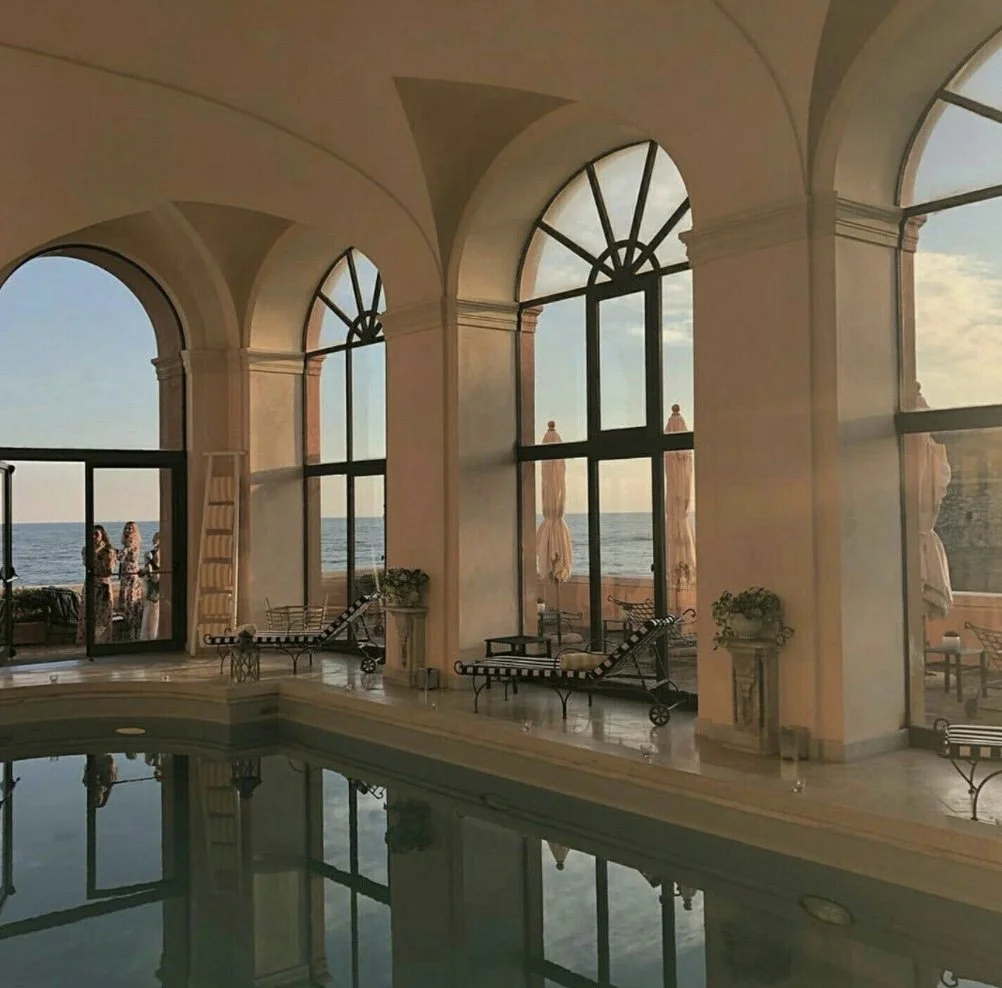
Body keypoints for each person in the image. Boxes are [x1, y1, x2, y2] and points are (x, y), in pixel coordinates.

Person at [76, 526, 117, 646]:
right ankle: (87, 642)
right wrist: (96, 551)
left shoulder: (110, 551)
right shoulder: (86, 550)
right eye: (91, 534)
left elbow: (108, 569)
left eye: (96, 534)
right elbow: (88, 564)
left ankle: (102, 642)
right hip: (90, 584)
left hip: (103, 585)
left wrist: (103, 553)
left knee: (103, 615)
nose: (93, 537)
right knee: (87, 613)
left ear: (102, 535)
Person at [118, 522, 144, 641]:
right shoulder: (128, 543)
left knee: (130, 603)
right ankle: (133, 632)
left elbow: (120, 557)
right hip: (127, 576)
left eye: (130, 528)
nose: (128, 530)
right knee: (129, 603)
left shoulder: (131, 544)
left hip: (131, 576)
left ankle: (134, 633)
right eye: (126, 528)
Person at [140, 531, 161, 640]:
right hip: (155, 581)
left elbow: (152, 569)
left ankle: (151, 635)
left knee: (152, 609)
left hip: (155, 582)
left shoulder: (153, 553)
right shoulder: (154, 552)